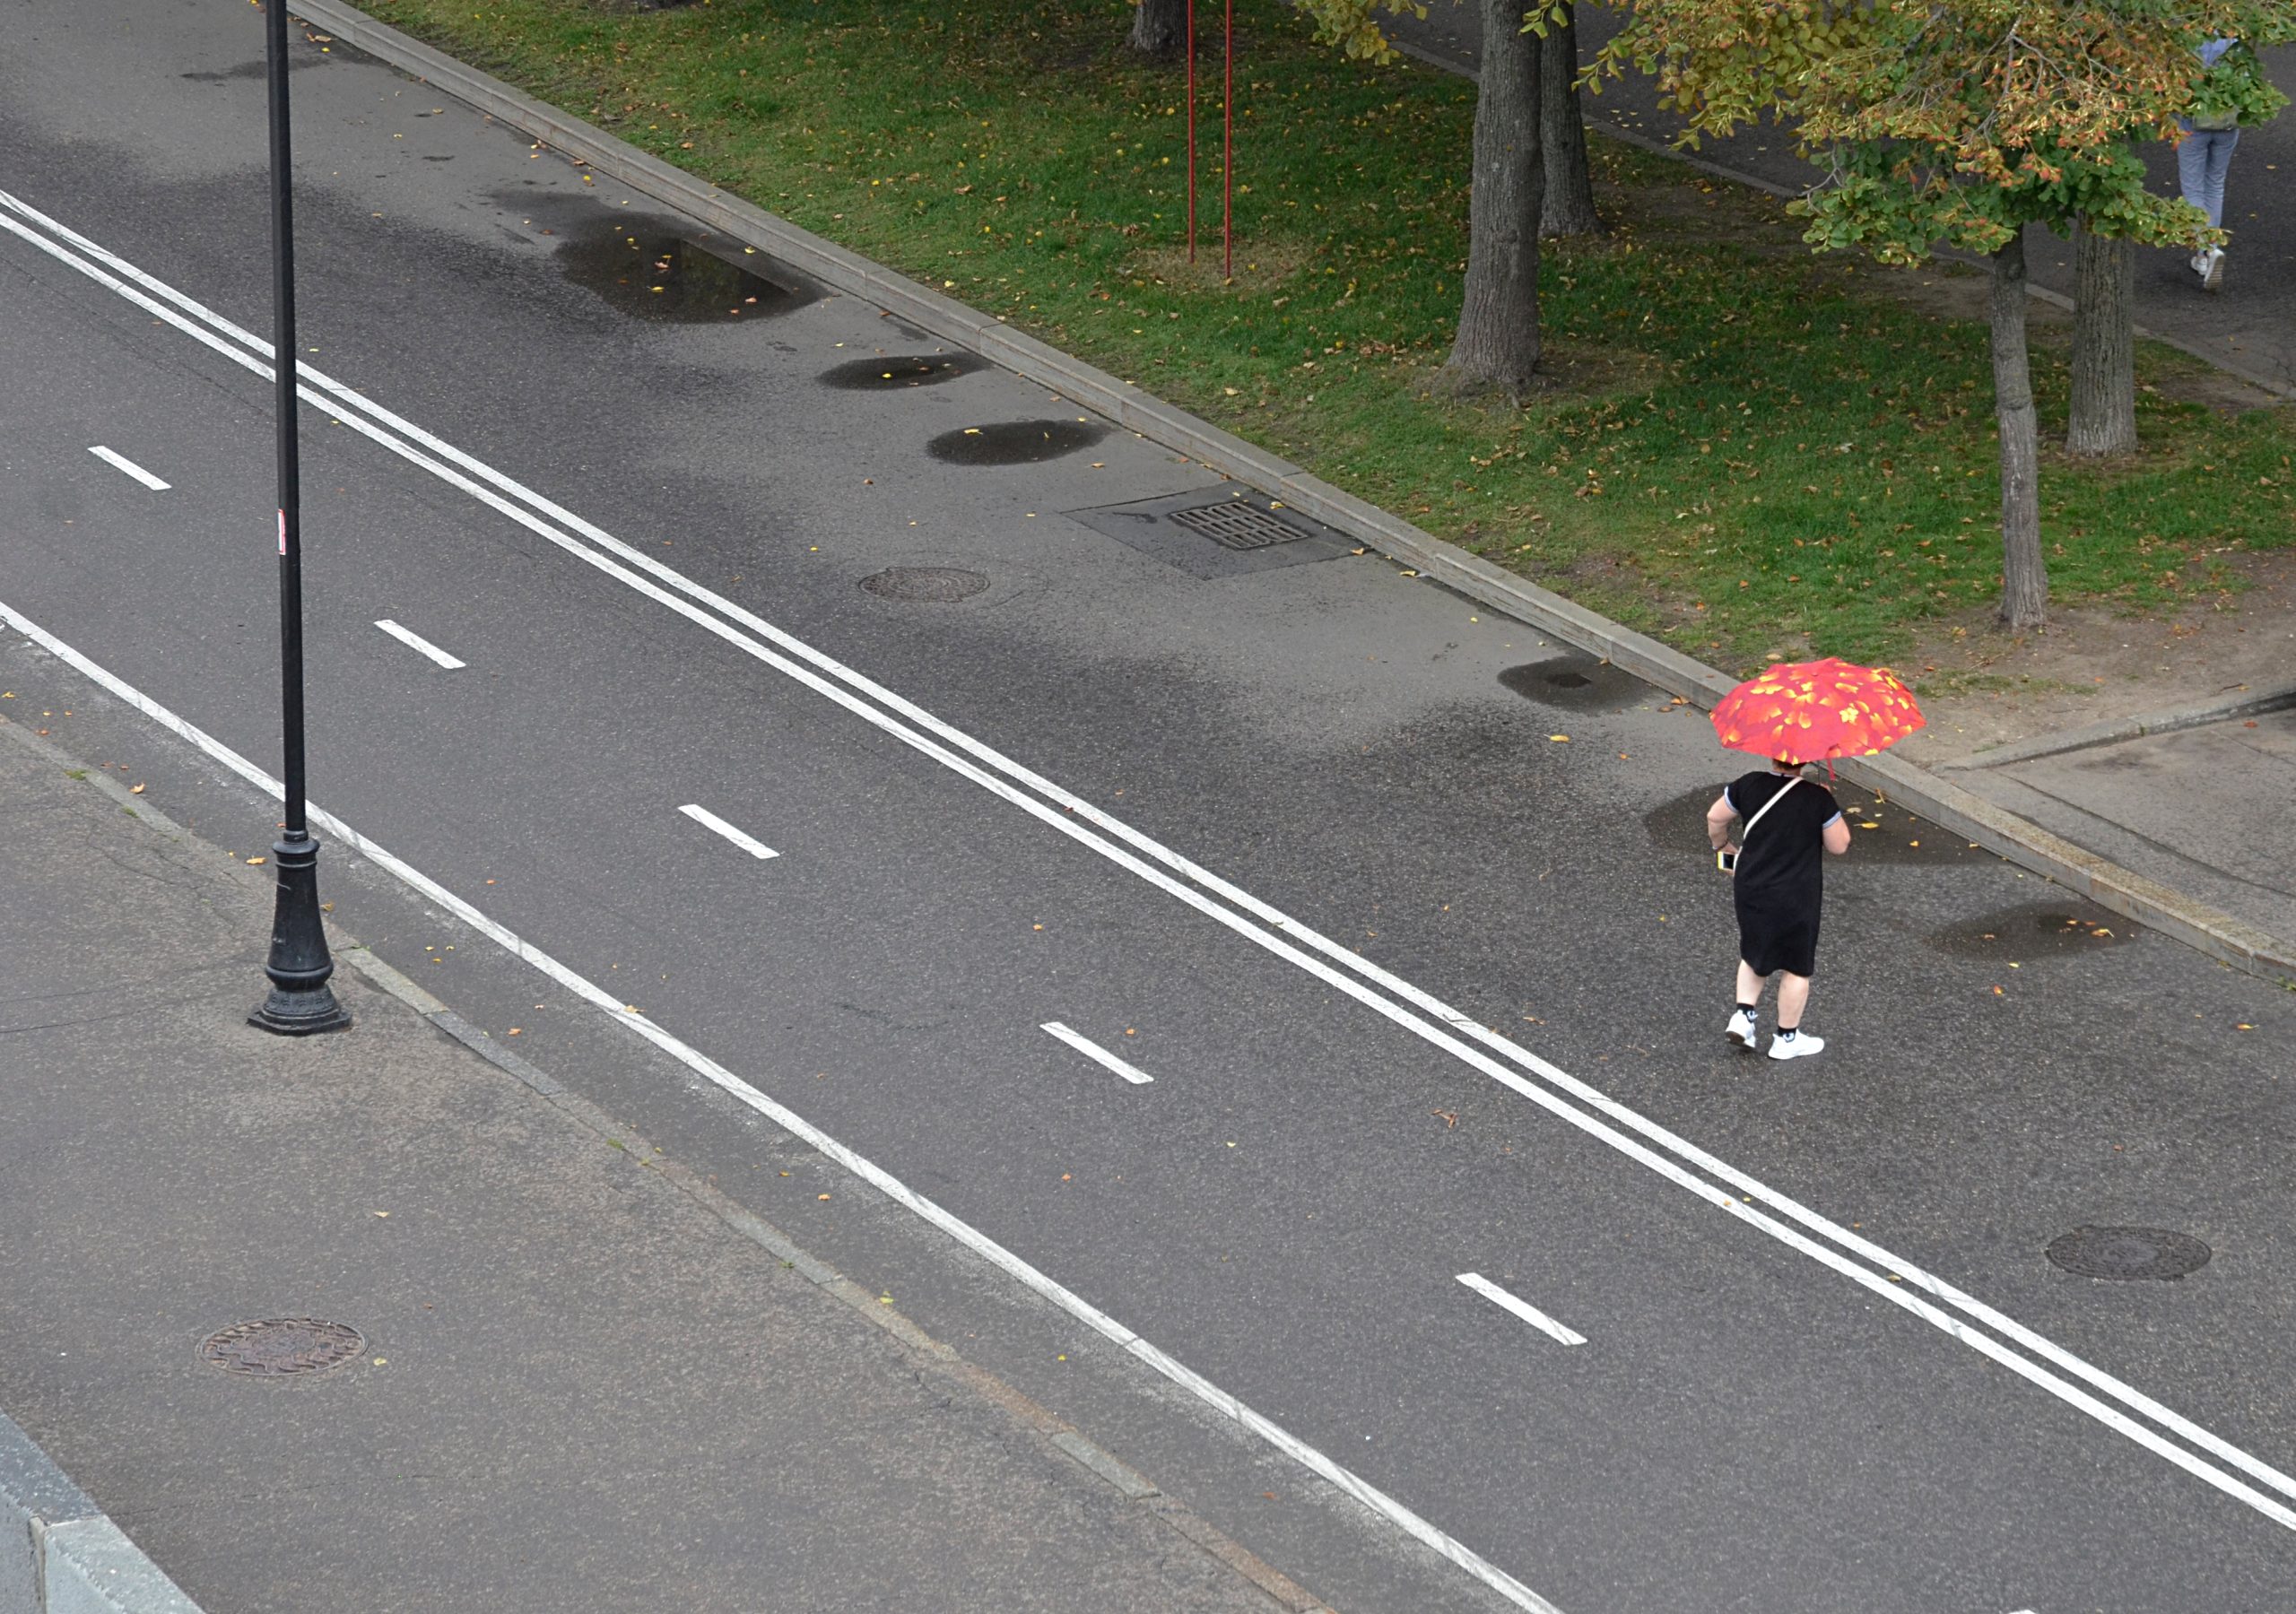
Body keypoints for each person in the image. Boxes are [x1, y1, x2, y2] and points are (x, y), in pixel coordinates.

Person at [1707, 758, 1850, 1060]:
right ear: (1805, 760)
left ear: (1773, 755)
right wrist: (1829, 805)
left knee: (1753, 951)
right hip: (1796, 894)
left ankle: (1743, 1017)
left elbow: (1715, 818)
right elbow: (1839, 845)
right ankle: (1786, 1038)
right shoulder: (1817, 797)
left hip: (1750, 885)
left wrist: (1722, 848)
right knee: (1796, 966)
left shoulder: (1749, 783)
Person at [2179, 37, 2247, 292]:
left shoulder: (2189, 39)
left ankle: (2205, 253)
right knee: (2215, 184)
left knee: (2193, 189)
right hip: (2227, 121)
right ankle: (2211, 248)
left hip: (2192, 122)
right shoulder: (2236, 40)